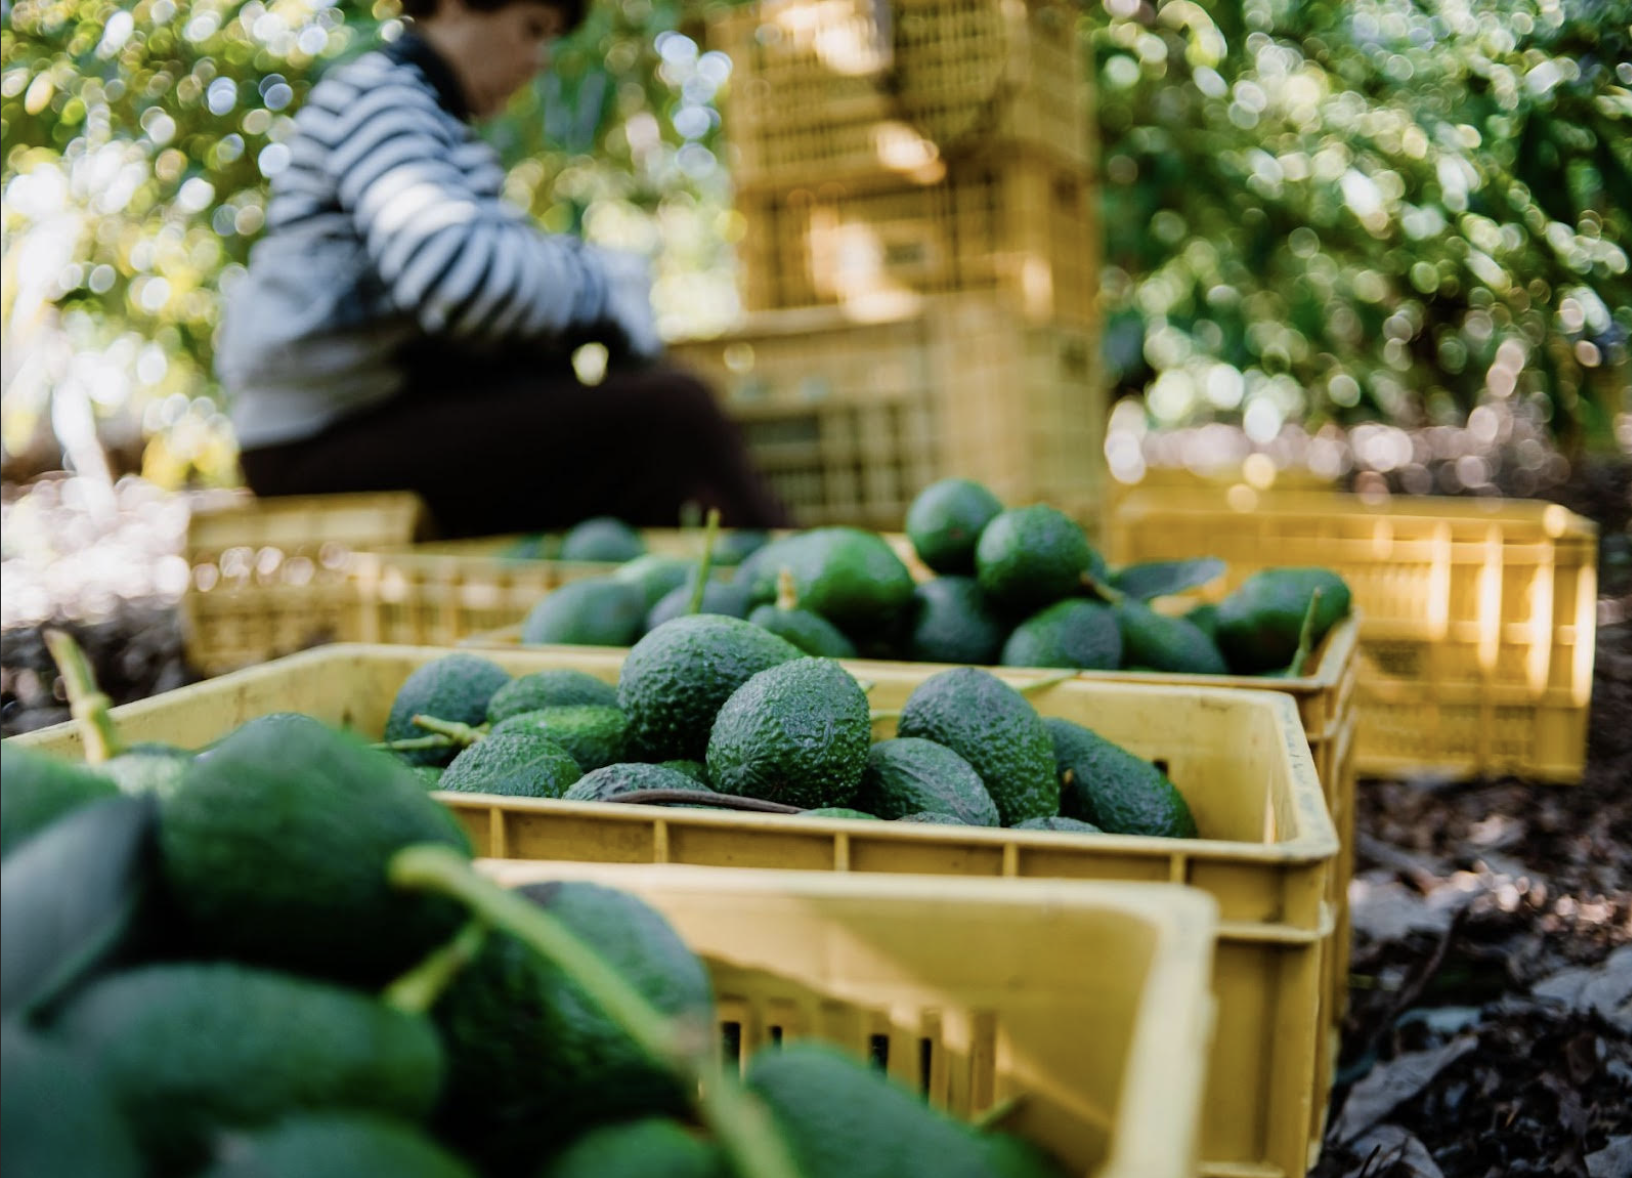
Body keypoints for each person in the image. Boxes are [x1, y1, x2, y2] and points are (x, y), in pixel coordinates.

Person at [216, 0, 789, 535]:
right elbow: (455, 276)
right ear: (457, 5)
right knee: (672, 416)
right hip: (319, 439)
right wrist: (603, 287)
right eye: (532, 29)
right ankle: (790, 601)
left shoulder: (429, 114)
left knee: (605, 402)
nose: (538, 60)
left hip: (373, 414)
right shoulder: (383, 97)